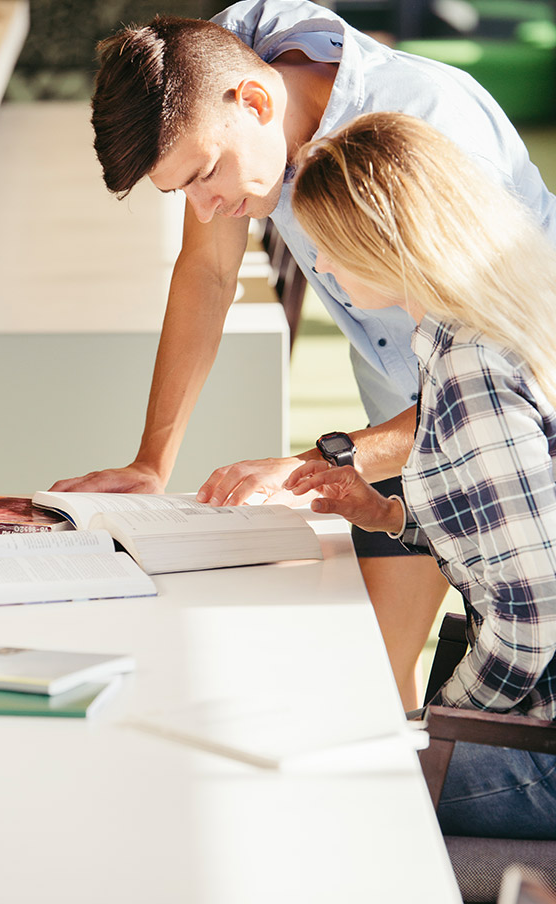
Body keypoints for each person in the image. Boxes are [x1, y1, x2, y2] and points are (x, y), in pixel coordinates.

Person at [51, 0, 556, 709]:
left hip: (510, 417)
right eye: (181, 192)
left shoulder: (430, 138)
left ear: (256, 101)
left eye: (205, 176)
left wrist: (319, 463)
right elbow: (207, 273)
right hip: (403, 418)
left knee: (467, 682)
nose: (204, 207)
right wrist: (151, 462)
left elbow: (497, 384)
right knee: (374, 682)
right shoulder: (218, 65)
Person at [284, 110, 556, 838]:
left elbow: (535, 612)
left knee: (299, 786)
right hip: (533, 715)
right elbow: (514, 526)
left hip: (542, 747)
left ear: (382, 241)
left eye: (330, 248)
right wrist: (384, 515)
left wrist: (439, 726)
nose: (327, 270)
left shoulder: (472, 367)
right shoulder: (485, 324)